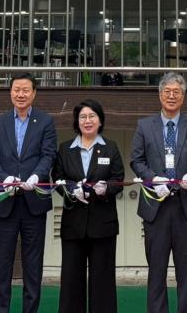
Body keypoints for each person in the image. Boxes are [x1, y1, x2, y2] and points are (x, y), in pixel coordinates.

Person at [130, 71, 187, 313]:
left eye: (176, 92)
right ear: (160, 95)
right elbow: (136, 160)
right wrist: (153, 179)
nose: (171, 96)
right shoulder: (144, 125)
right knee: (156, 270)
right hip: (156, 206)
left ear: (183, 97)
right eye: (167, 91)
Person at [0, 72, 57, 313]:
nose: (20, 94)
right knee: (2, 265)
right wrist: (4, 178)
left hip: (34, 203)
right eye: (16, 90)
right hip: (5, 202)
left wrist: (36, 176)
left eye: (26, 90)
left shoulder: (45, 122)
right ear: (10, 92)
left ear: (34, 93)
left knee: (33, 265)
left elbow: (48, 155)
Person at [52, 99, 125, 313]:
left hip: (103, 224)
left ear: (100, 120)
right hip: (73, 224)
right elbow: (57, 178)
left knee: (103, 280)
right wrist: (71, 189)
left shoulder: (111, 147)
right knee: (71, 280)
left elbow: (118, 179)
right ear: (77, 122)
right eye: (83, 117)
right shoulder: (65, 149)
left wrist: (106, 189)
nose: (87, 121)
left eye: (92, 116)